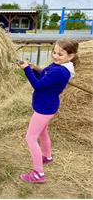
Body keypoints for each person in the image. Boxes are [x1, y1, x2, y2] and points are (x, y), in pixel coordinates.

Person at [18, 38, 79, 183]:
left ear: (70, 56)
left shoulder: (60, 71)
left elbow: (38, 86)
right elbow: (43, 77)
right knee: (43, 132)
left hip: (44, 108)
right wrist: (33, 69)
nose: (56, 56)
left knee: (31, 138)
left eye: (60, 54)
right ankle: (47, 156)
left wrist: (26, 70)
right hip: (46, 106)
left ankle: (38, 174)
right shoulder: (57, 66)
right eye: (54, 52)